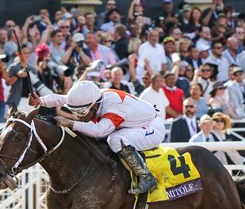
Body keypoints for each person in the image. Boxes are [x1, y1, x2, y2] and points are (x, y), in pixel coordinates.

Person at [28, 81, 163, 195]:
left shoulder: (114, 107)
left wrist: (71, 122)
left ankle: (146, 177)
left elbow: (100, 131)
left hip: (151, 127)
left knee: (115, 140)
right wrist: (40, 101)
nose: (78, 116)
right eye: (74, 111)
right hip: (132, 125)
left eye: (81, 112)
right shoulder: (91, 98)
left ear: (94, 106)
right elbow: (61, 99)